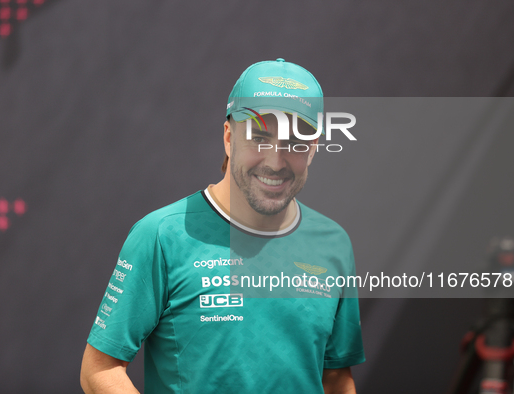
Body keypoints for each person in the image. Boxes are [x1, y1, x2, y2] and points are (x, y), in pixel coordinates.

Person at [80, 58, 365, 394]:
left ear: (313, 149)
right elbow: (99, 370)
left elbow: (335, 377)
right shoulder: (162, 234)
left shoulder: (333, 243)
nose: (275, 161)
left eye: (294, 142)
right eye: (259, 137)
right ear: (229, 138)